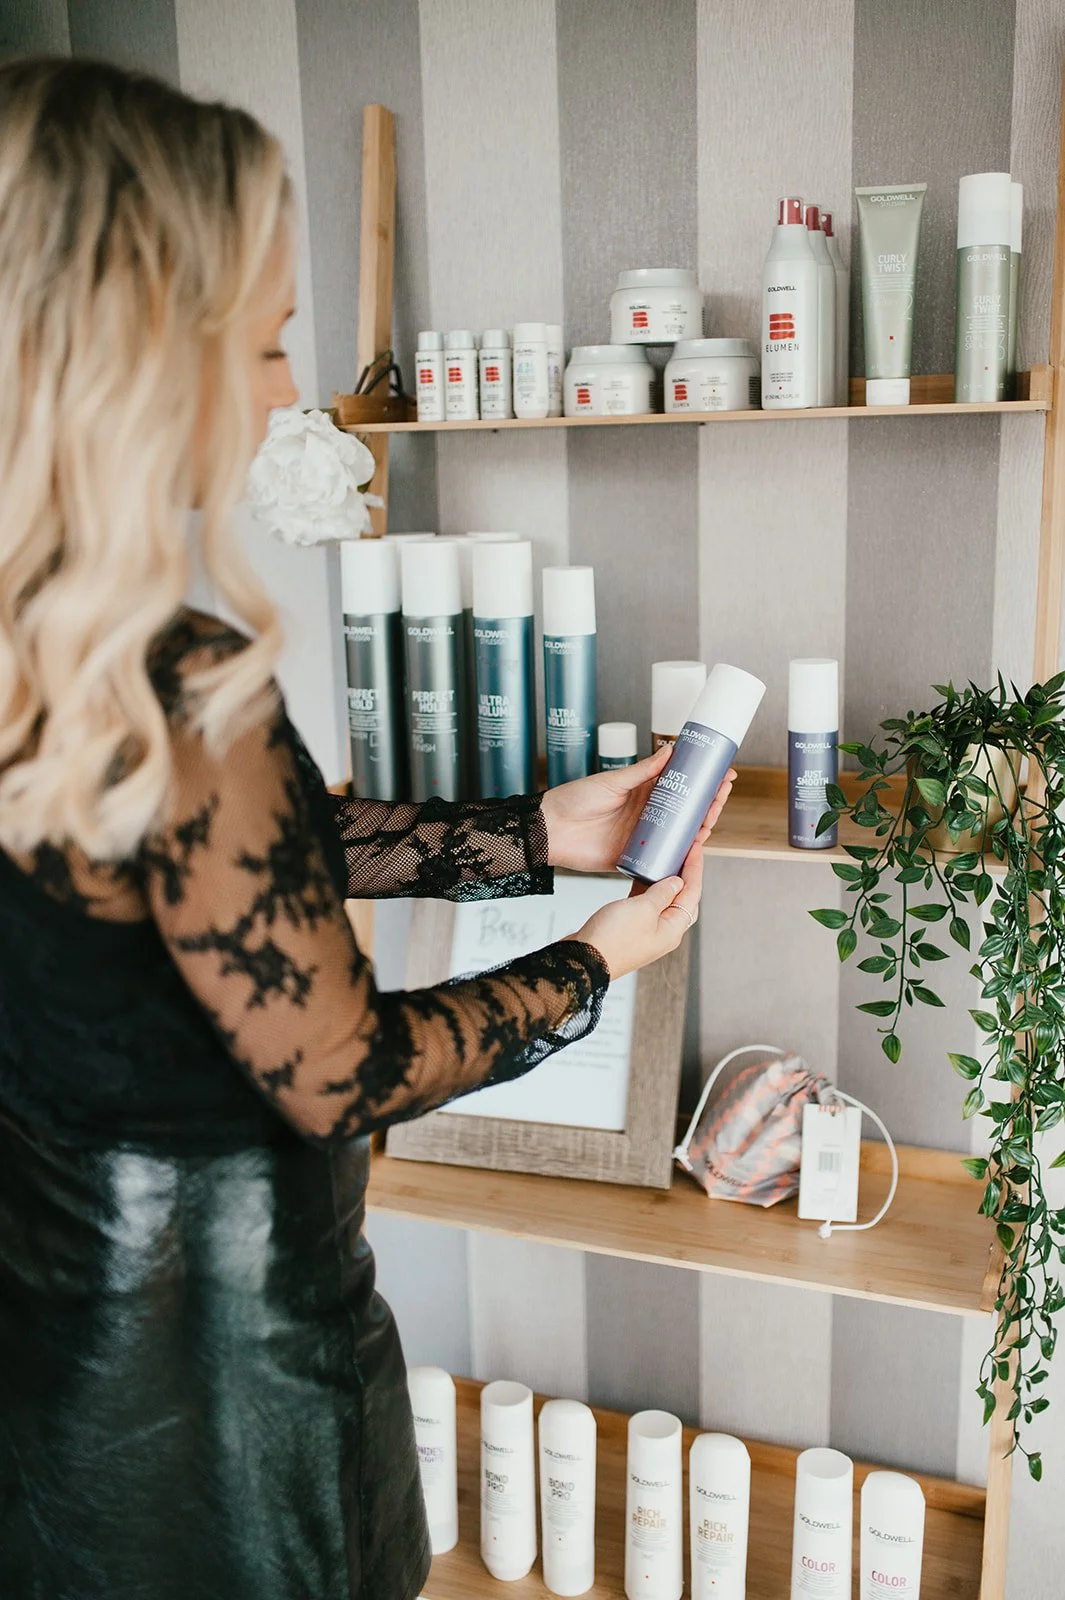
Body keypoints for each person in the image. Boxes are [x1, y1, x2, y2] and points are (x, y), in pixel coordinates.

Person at [0, 57, 733, 1600]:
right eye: (263, 343)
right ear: (141, 352)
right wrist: (596, 960)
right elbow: (346, 1074)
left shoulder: (43, 664)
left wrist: (534, 831)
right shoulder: (184, 687)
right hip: (244, 1431)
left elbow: (231, 873)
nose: (286, 393)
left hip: (56, 1410)